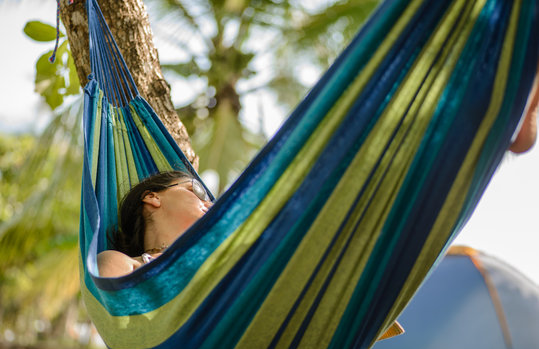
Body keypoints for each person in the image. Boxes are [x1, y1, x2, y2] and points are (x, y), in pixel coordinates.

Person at [98, 66, 539, 278]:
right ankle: (489, 110)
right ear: (151, 199)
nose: (209, 201)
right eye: (196, 192)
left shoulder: (229, 244)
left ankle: (483, 109)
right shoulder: (134, 264)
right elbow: (113, 278)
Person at [97, 170, 213, 277]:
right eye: (198, 191)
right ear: (152, 197)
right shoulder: (119, 263)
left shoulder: (214, 265)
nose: (210, 205)